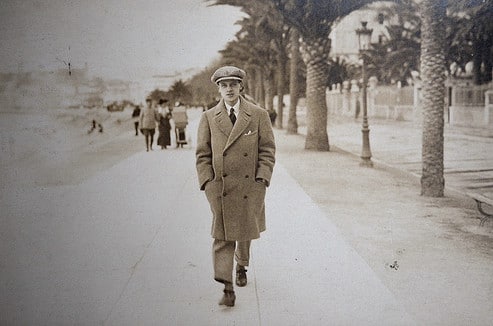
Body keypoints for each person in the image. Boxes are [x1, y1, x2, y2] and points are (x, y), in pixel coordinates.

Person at [195, 66, 276, 307]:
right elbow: (202, 154)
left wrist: (262, 179)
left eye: (233, 84)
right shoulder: (208, 117)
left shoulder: (258, 115)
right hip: (220, 188)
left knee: (243, 232)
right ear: (218, 89)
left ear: (241, 87)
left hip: (249, 187)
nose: (229, 89)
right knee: (221, 235)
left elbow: (268, 150)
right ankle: (227, 286)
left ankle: (242, 265)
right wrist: (207, 182)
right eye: (224, 85)